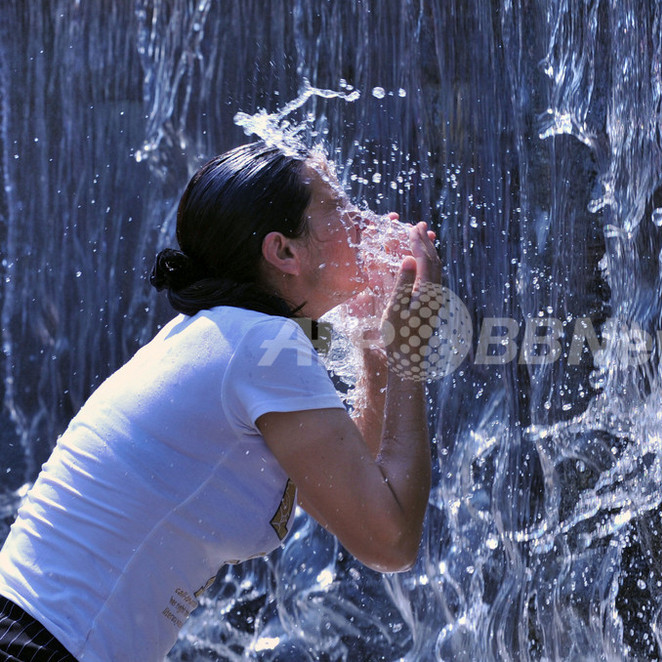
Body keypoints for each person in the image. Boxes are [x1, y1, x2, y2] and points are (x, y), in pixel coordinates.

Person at [0, 141, 439, 661]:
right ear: (284, 252)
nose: (363, 219)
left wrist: (376, 351)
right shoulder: (262, 343)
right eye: (336, 207)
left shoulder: (228, 336)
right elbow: (389, 540)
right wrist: (409, 350)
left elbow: (362, 495)